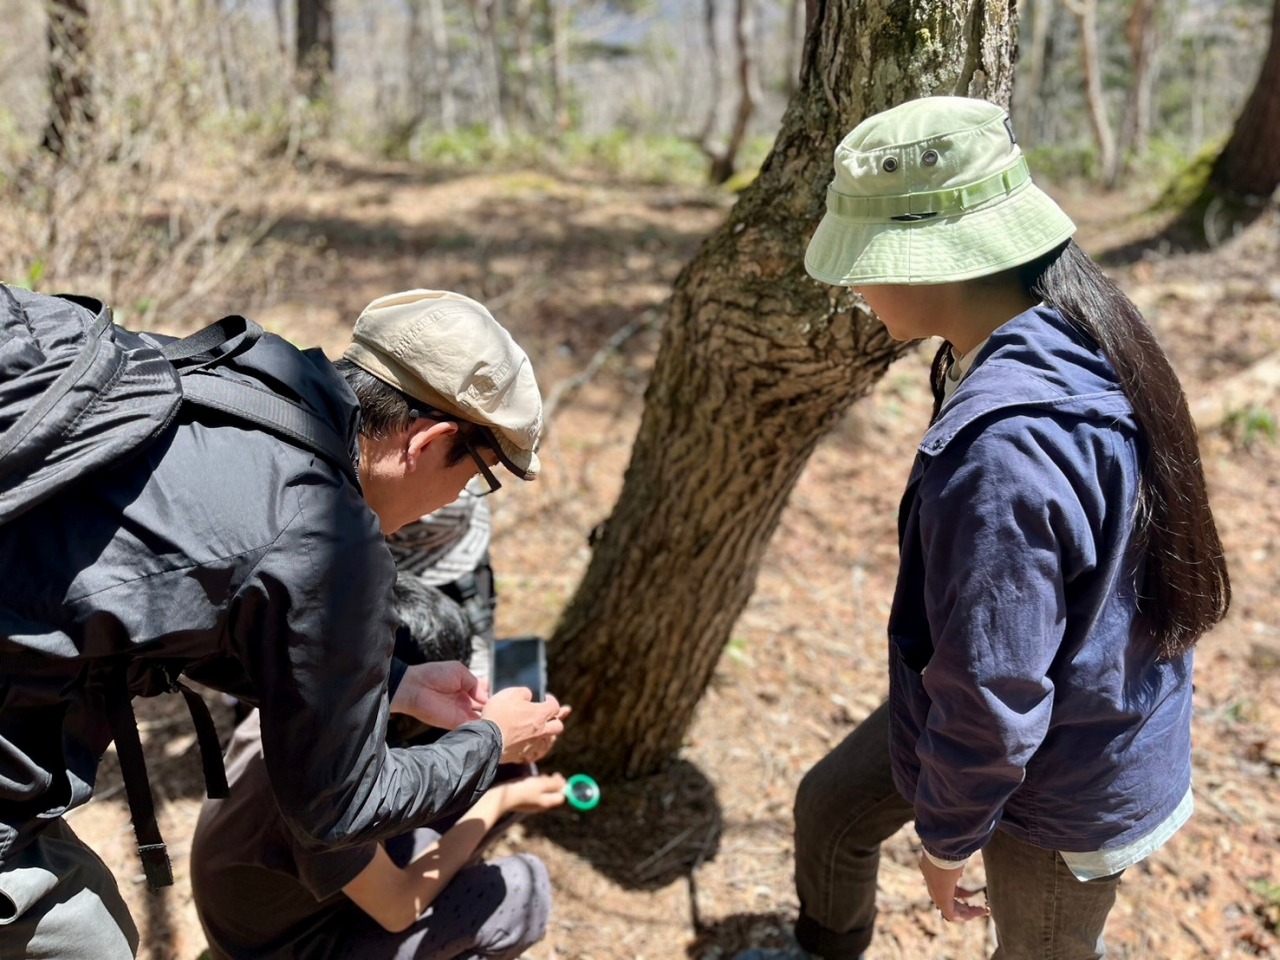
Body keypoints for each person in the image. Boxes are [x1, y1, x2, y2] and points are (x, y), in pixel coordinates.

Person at [788, 97, 1231, 959]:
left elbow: (997, 696)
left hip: (1060, 787)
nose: (855, 289)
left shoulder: (1003, 453)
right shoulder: (1058, 327)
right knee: (832, 809)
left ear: (930, 264)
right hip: (1035, 709)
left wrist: (947, 839)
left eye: (862, 263)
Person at [0, 287, 566, 959]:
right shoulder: (329, 538)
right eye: (478, 474)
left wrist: (393, 683)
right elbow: (339, 809)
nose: (462, 497)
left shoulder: (236, 384)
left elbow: (179, 590)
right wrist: (491, 741)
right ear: (430, 441)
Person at [191, 569, 567, 960]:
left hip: (297, 895)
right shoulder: (323, 786)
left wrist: (512, 752)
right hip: (294, 948)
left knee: (507, 772)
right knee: (524, 890)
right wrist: (501, 801)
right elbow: (398, 910)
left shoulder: (308, 709)